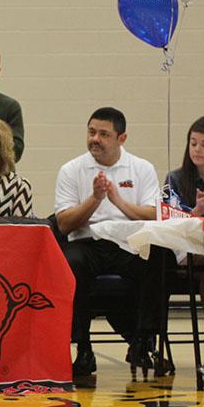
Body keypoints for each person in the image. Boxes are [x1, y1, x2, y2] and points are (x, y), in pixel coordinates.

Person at [54, 107, 162, 376]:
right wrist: (94, 200)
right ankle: (83, 347)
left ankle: (142, 340)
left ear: (121, 138)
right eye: (91, 132)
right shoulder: (71, 169)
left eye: (104, 134)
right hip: (87, 243)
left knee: (161, 258)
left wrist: (118, 202)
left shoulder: (142, 168)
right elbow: (64, 223)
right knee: (69, 263)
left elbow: (154, 214)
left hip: (128, 243)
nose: (95, 139)